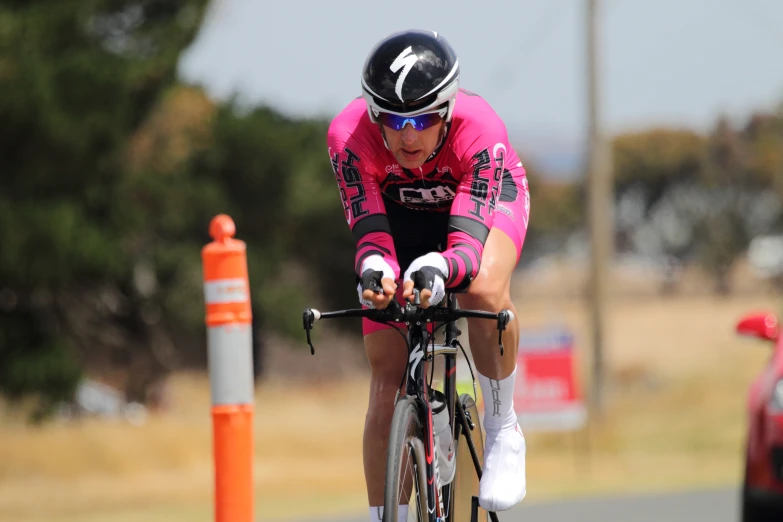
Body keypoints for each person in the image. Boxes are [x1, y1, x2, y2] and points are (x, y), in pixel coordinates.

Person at [326, 29, 530, 521]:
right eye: (392, 121)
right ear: (374, 114)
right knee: (385, 375)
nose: (407, 135)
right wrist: (375, 271)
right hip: (403, 219)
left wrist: (441, 266)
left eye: (422, 119)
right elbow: (372, 237)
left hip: (480, 209)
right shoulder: (347, 137)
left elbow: (465, 250)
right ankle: (383, 514)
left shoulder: (479, 127)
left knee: (481, 287)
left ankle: (502, 424)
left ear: (447, 110)